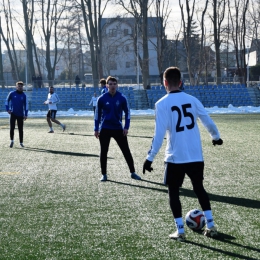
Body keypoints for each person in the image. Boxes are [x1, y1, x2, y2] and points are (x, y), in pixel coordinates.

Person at [143, 67, 223, 242]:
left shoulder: (161, 104)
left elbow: (158, 135)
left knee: (173, 192)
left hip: (175, 156)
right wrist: (216, 137)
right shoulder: (193, 100)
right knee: (199, 188)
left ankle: (180, 231)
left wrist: (149, 158)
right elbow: (207, 121)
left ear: (165, 82)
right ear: (180, 82)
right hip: (195, 155)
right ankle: (210, 225)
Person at [94, 76, 141, 182]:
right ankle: (104, 174)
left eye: (114, 84)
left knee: (126, 151)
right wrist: (96, 128)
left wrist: (126, 127)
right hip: (105, 129)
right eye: (110, 84)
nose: (112, 86)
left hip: (118, 128)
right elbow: (97, 115)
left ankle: (133, 172)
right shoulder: (101, 98)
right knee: (104, 152)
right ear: (106, 86)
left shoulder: (122, 97)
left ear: (117, 85)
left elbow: (128, 112)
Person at [5, 81, 28, 148]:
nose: (20, 87)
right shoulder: (12, 93)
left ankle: (21, 143)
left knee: (20, 129)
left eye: (21, 86)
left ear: (22, 87)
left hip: (20, 115)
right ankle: (11, 141)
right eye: (19, 86)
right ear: (16, 87)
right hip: (13, 114)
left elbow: (26, 105)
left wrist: (25, 114)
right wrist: (8, 109)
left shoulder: (24, 95)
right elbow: (6, 101)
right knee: (12, 128)